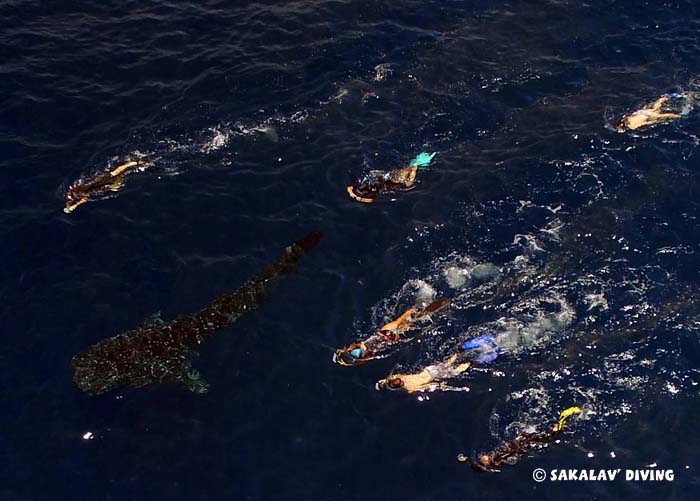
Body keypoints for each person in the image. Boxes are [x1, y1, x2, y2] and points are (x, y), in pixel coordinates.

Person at [459, 406, 582, 472]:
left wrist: (466, 460)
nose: (481, 457)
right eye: (482, 460)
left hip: (520, 440)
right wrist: (520, 442)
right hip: (525, 443)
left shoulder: (493, 458)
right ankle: (563, 419)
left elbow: (476, 465)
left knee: (534, 429)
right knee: (549, 436)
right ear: (487, 465)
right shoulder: (499, 460)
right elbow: (514, 454)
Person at [333, 297, 449, 366]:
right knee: (412, 323)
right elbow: (363, 359)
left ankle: (429, 304)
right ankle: (437, 307)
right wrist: (346, 359)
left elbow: (357, 346)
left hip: (384, 333)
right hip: (389, 339)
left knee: (406, 319)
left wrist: (343, 354)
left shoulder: (354, 349)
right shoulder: (360, 357)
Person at [375, 333, 499, 393]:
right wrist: (439, 386)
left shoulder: (402, 381)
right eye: (395, 382)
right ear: (397, 385)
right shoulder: (408, 387)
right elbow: (426, 387)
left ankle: (470, 359)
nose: (395, 380)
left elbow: (389, 379)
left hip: (432, 372)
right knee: (451, 365)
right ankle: (465, 355)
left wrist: (383, 382)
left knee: (454, 369)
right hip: (433, 373)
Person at [347, 152, 437, 203]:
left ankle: (414, 168)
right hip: (390, 177)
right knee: (406, 179)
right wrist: (355, 195)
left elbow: (369, 200)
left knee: (407, 182)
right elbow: (350, 189)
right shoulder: (369, 185)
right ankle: (414, 167)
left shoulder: (370, 187)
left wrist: (356, 197)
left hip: (391, 178)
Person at [64, 159, 148, 213]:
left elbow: (84, 199)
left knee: (115, 176)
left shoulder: (81, 194)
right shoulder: (73, 192)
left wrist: (75, 205)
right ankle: (131, 165)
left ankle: (132, 164)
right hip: (97, 182)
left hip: (99, 183)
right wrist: (72, 206)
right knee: (116, 181)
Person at [615, 91, 694, 131]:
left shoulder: (632, 126)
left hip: (647, 115)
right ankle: (671, 96)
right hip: (643, 112)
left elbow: (644, 123)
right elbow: (634, 114)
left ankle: (680, 115)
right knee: (656, 106)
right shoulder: (625, 118)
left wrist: (654, 122)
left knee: (662, 115)